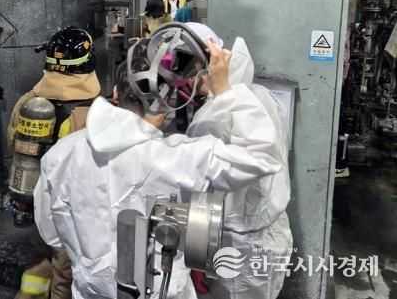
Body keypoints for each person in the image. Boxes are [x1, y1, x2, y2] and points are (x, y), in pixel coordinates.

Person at [33, 23, 288, 299]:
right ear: (166, 105)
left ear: (116, 93)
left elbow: (52, 234)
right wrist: (226, 91)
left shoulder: (60, 154)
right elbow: (262, 156)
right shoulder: (175, 158)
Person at [185, 23, 293, 299]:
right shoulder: (258, 94)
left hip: (240, 245)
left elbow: (203, 188)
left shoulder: (216, 114)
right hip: (269, 233)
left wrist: (196, 252)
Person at [10, 27, 101, 299]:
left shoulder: (29, 101)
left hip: (33, 199)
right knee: (65, 275)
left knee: (39, 261)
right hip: (69, 210)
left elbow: (11, 140)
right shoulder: (92, 111)